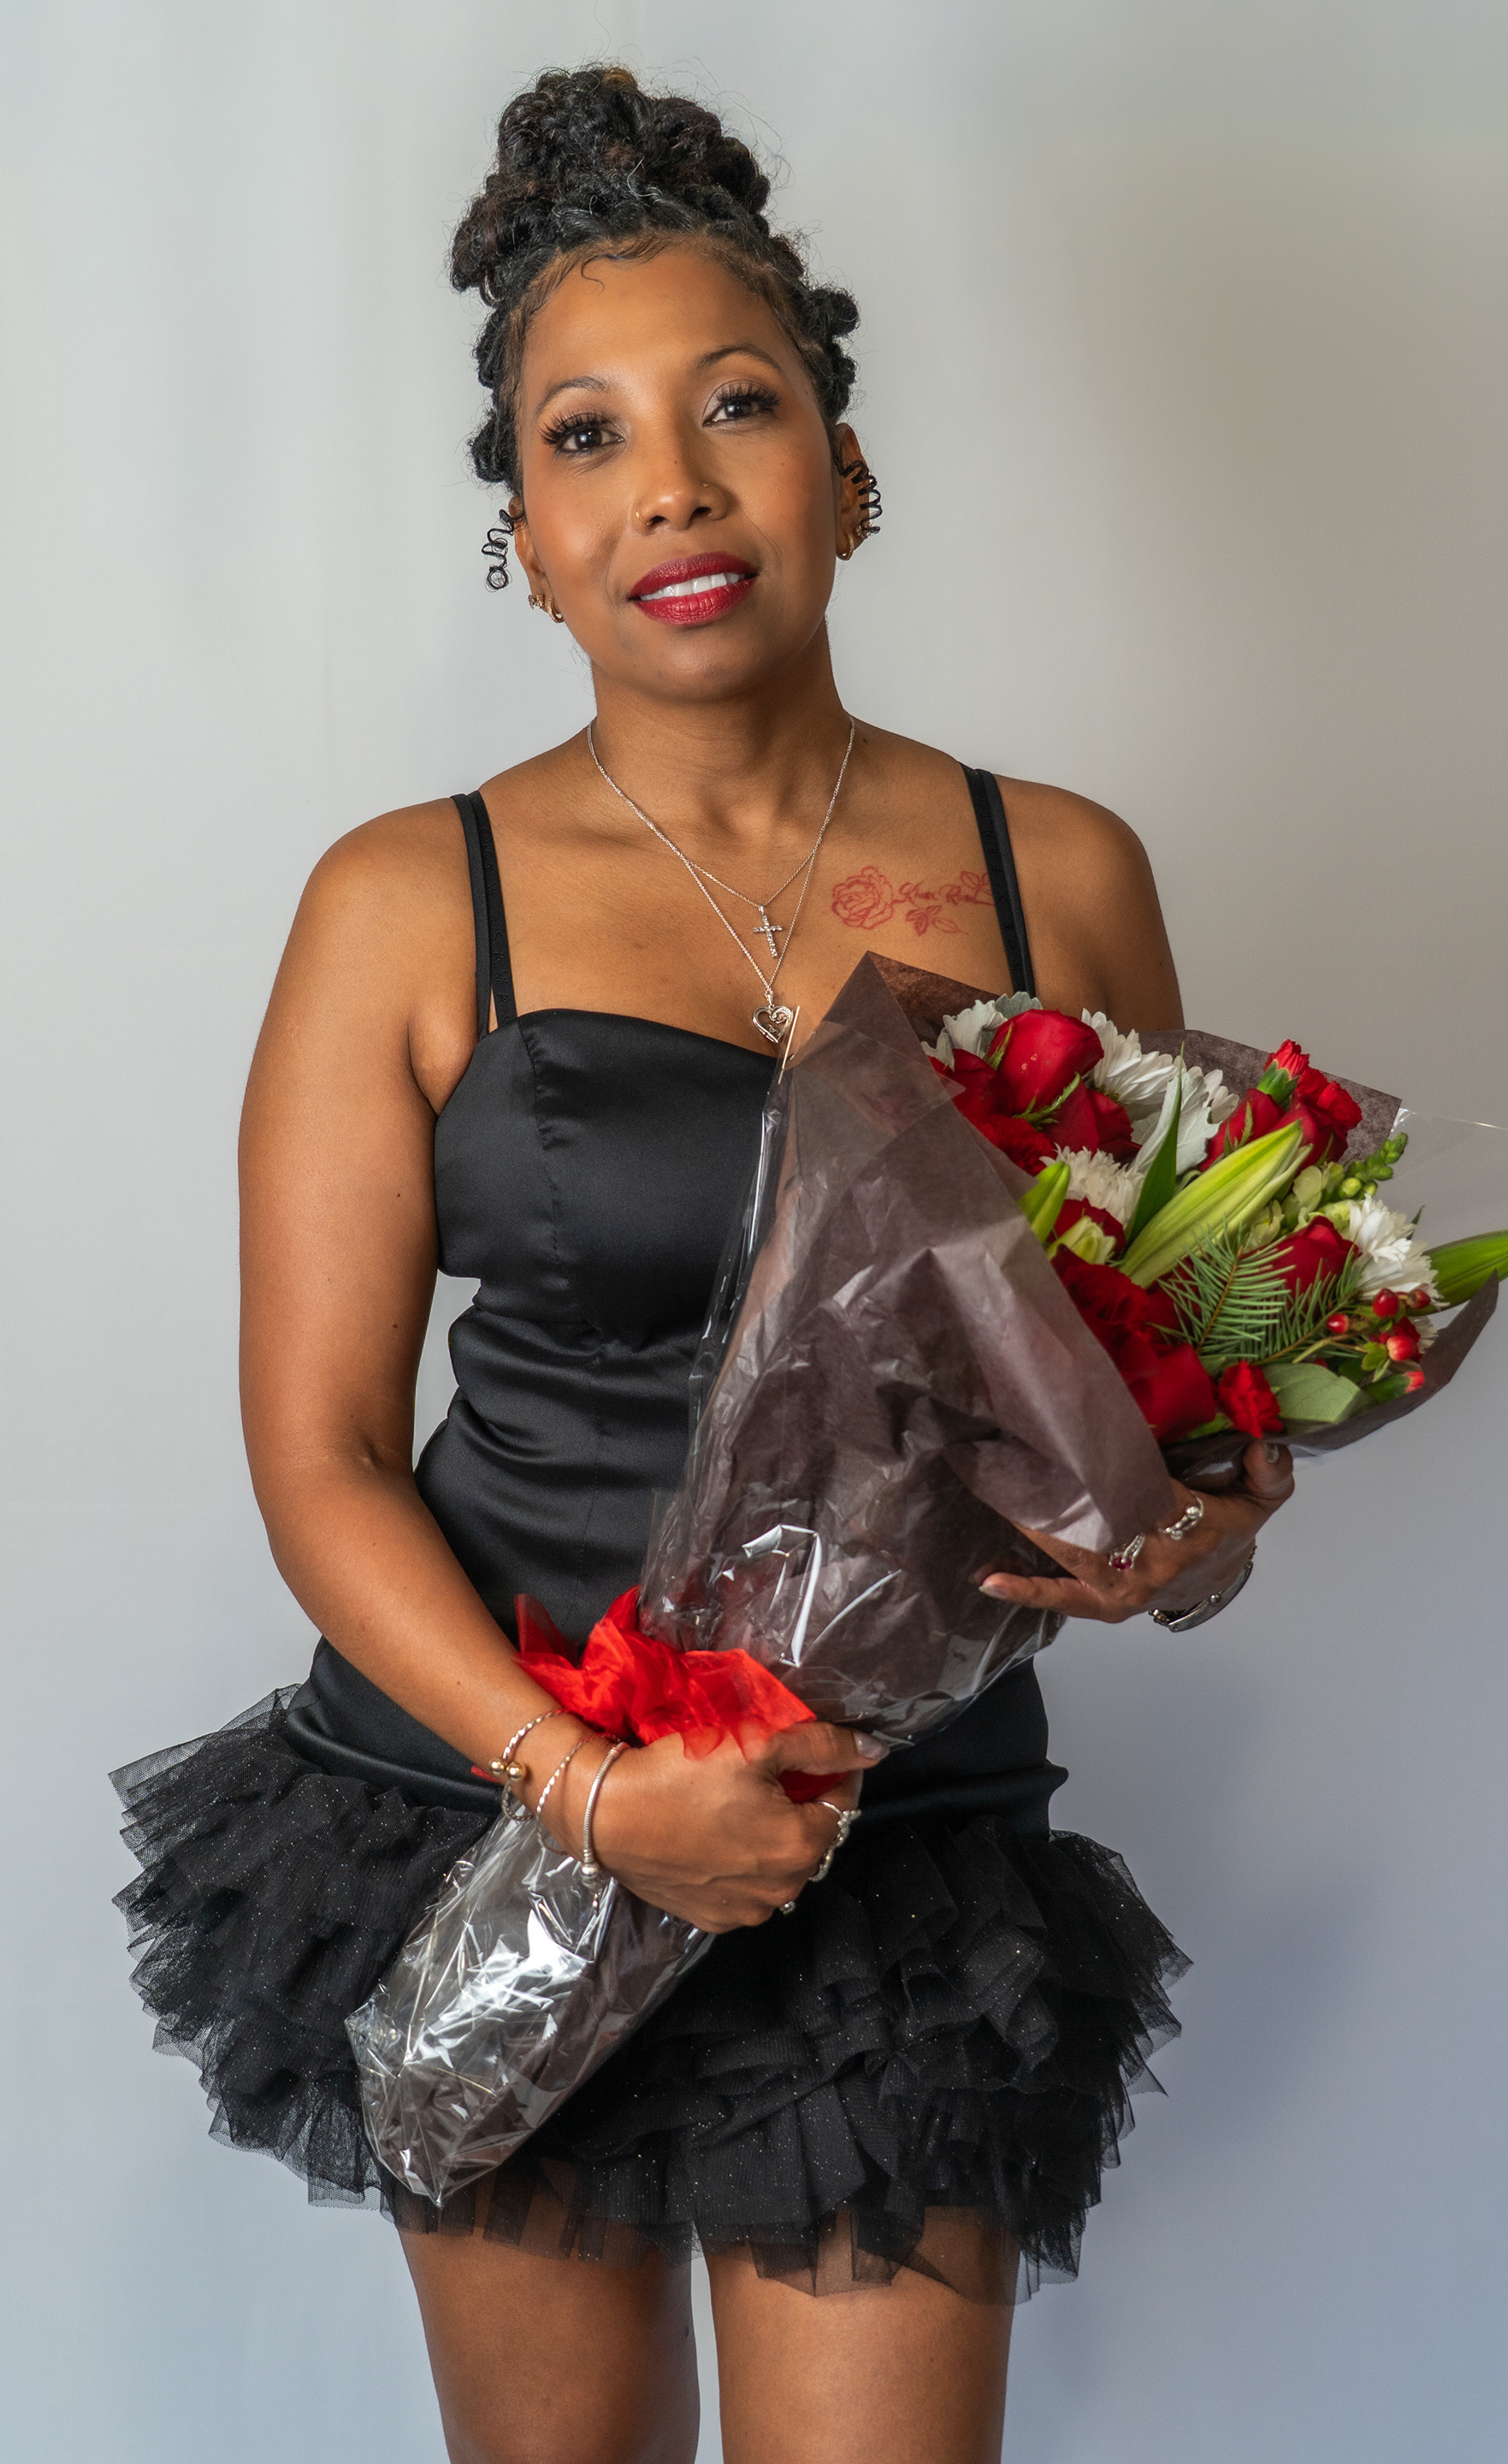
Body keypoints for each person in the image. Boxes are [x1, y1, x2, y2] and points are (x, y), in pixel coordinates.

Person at [114, 65, 1292, 2464]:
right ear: (527, 543)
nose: (668, 481)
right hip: (500, 1807)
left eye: (736, 404)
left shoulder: (1057, 871)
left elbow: (1166, 1394)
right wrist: (574, 1786)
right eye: (584, 438)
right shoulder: (396, 903)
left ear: (841, 470)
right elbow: (321, 1455)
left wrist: (1198, 1527)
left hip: (903, 1841)